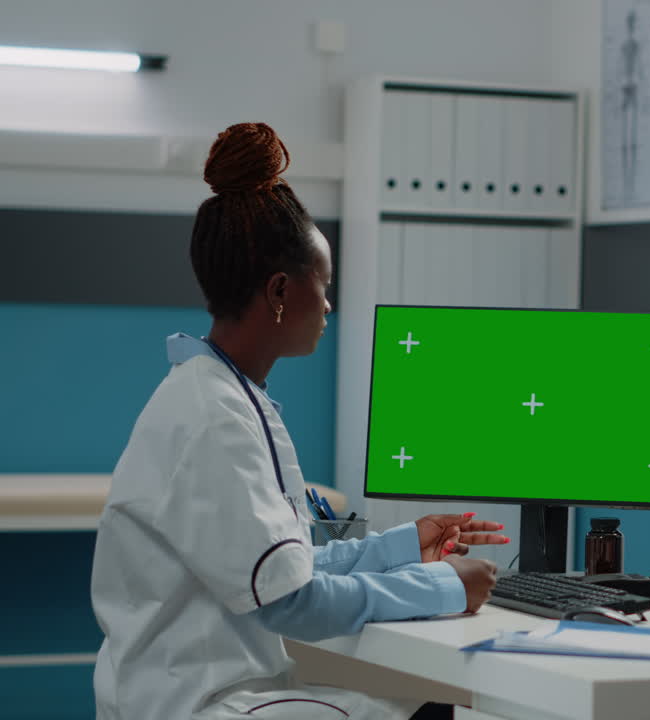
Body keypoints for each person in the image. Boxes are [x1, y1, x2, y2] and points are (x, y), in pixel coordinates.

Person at [91, 122, 506, 720]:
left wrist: (402, 546)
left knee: (433, 704)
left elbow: (286, 565)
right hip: (194, 703)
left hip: (199, 687)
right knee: (441, 710)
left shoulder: (224, 394)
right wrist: (445, 587)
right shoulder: (214, 418)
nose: (330, 305)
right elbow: (291, 603)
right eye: (325, 284)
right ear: (281, 290)